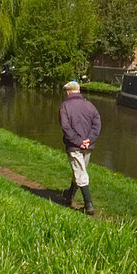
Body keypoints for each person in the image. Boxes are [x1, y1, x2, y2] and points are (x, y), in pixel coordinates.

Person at [59, 80, 101, 215]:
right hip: (88, 146)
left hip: (74, 146)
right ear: (79, 91)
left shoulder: (64, 106)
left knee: (80, 173)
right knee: (80, 170)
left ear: (67, 92)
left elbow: (65, 127)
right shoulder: (89, 105)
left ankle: (89, 205)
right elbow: (97, 123)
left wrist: (78, 141)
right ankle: (69, 195)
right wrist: (89, 139)